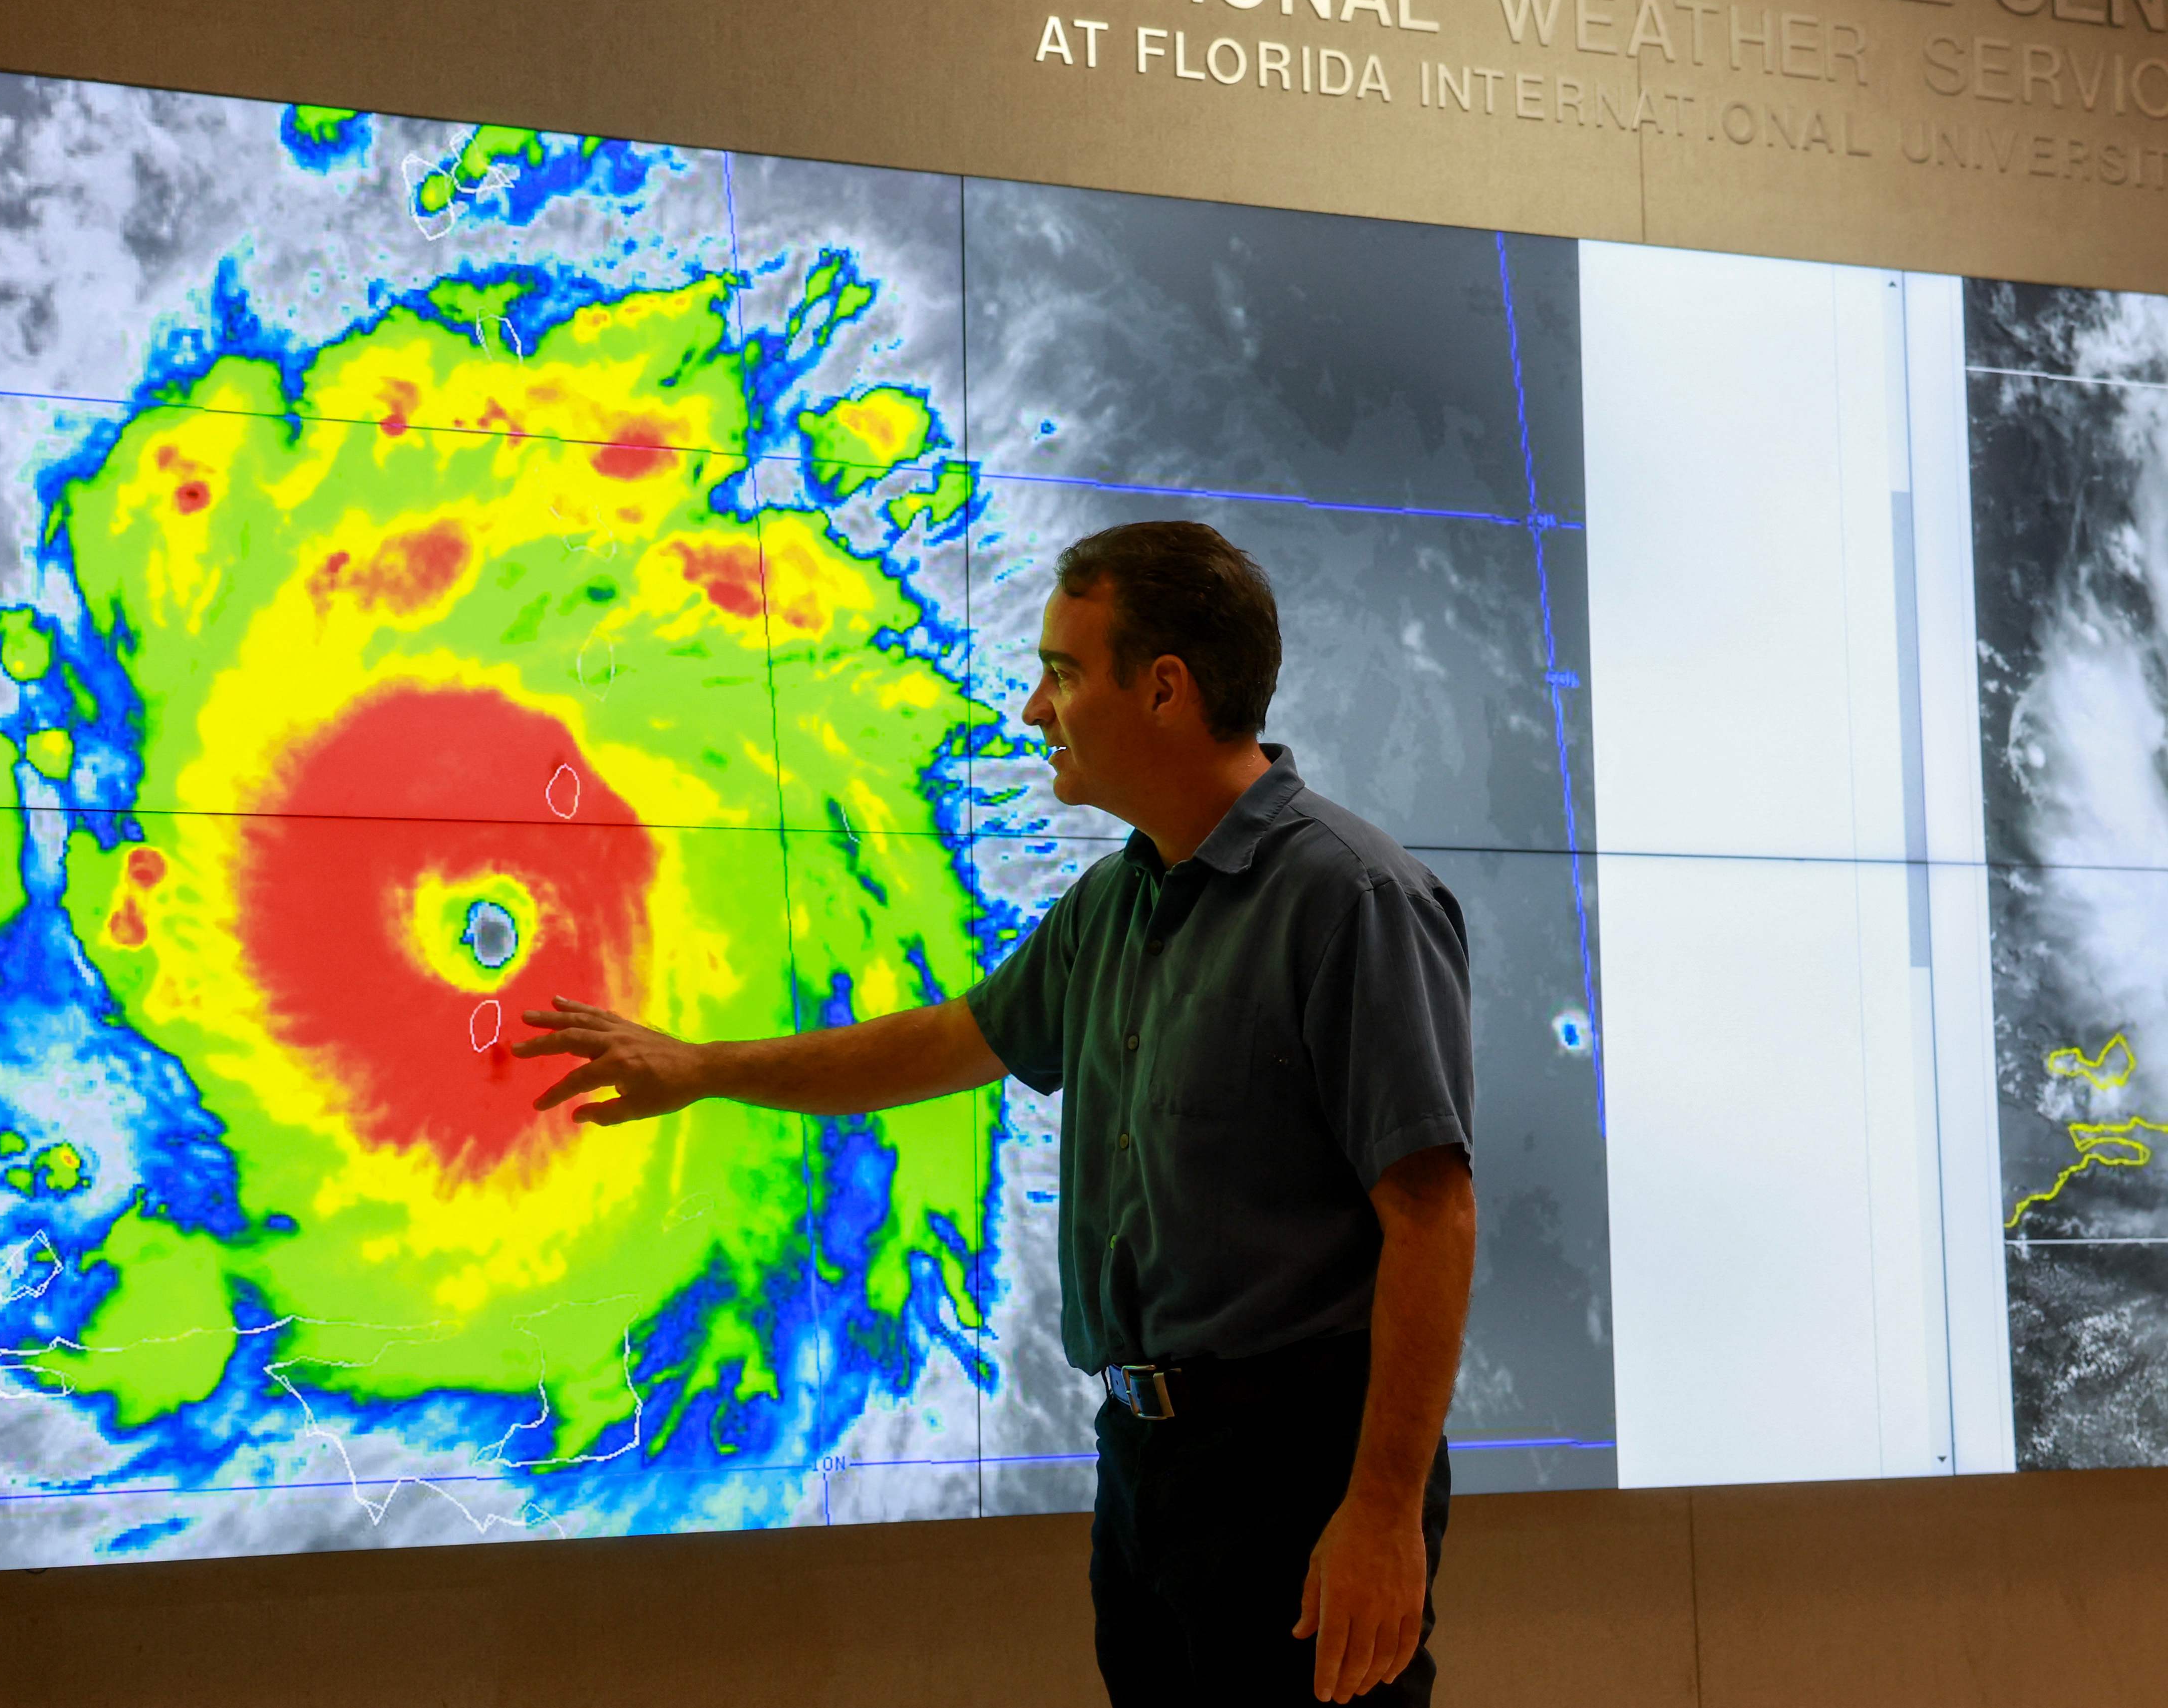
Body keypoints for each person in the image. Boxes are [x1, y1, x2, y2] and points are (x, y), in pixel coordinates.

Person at [516, 520, 1477, 1705]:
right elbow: (946, 1043)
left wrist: (1382, 1514)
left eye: (1063, 674)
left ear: (1165, 689)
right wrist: (703, 1068)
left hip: (1297, 1471)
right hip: (1146, 1463)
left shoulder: (1353, 900)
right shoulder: (1113, 904)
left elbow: (1433, 1217)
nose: (1034, 709)